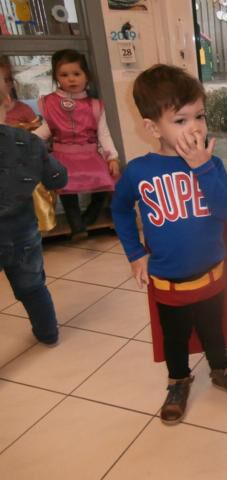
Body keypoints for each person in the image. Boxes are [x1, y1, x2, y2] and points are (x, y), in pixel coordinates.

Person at [111, 64, 227, 425]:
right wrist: (135, 254)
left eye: (199, 116)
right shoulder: (139, 171)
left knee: (213, 329)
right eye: (180, 120)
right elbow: (120, 209)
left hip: (211, 274)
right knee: (174, 338)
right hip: (167, 280)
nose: (195, 128)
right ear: (152, 128)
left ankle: (221, 370)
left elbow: (225, 210)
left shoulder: (213, 164)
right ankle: (178, 382)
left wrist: (203, 168)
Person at [0, 78, 68, 345]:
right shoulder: (25, 141)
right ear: (7, 101)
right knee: (32, 286)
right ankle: (48, 333)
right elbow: (57, 178)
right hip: (21, 231)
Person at [34, 49, 120, 240]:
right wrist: (23, 140)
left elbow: (103, 134)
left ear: (86, 75)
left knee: (107, 179)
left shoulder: (94, 105)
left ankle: (89, 217)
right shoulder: (50, 103)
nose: (71, 79)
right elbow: (45, 130)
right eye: (64, 75)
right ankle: (77, 226)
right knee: (64, 184)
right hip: (62, 156)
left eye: (76, 73)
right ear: (56, 78)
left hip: (90, 155)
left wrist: (112, 157)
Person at [0, 56, 41, 130]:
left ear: (11, 83)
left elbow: (38, 128)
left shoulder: (23, 109)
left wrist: (23, 127)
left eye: (3, 81)